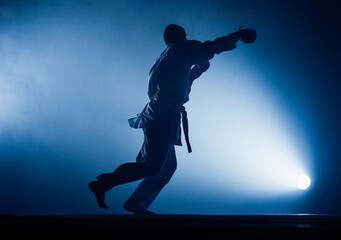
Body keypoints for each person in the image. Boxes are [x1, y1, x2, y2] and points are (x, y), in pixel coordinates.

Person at [89, 24, 256, 215]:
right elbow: (212, 47)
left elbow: (177, 83)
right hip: (164, 111)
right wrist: (238, 34)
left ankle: (136, 201)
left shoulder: (165, 59)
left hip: (161, 109)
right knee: (151, 166)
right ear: (181, 36)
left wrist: (196, 71)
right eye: (185, 36)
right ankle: (104, 183)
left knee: (166, 167)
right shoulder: (181, 48)